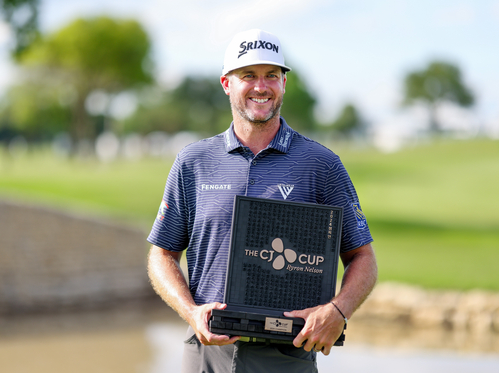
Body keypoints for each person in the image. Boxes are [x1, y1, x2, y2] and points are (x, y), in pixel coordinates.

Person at [147, 29, 377, 373]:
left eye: (272, 75)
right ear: (227, 83)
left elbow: (363, 258)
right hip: (206, 356)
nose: (261, 86)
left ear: (284, 83)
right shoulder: (193, 162)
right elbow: (162, 254)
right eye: (248, 76)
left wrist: (338, 311)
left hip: (289, 356)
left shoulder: (321, 165)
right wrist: (191, 312)